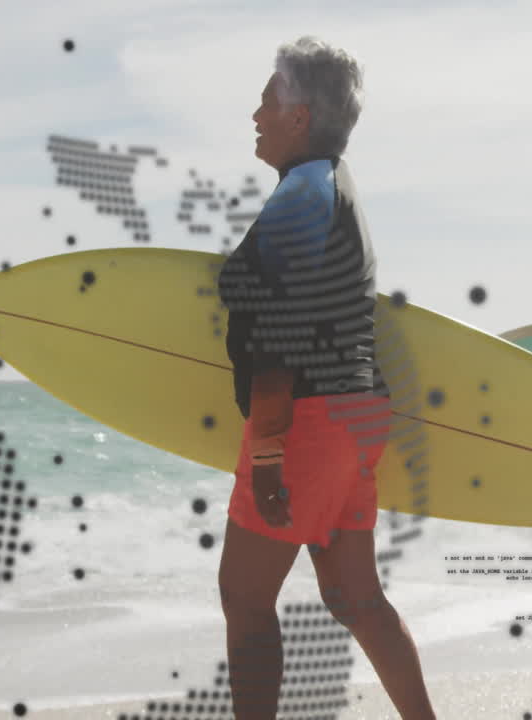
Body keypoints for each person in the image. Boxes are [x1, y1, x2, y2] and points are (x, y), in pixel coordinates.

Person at [215, 36, 436, 720]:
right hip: (356, 413)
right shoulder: (334, 187)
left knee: (246, 598)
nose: (255, 113)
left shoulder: (301, 194)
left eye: (266, 98)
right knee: (354, 598)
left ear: (299, 115)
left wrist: (271, 447)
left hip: (306, 419)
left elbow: (281, 321)